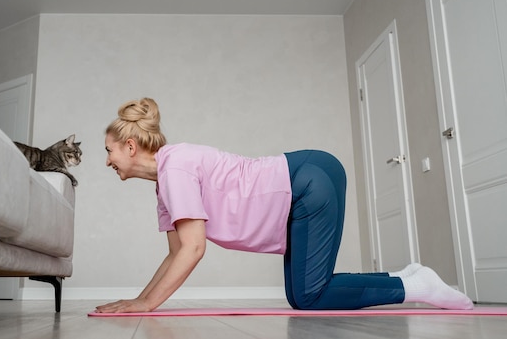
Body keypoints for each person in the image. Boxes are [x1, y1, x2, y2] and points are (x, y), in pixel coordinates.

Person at [95, 97, 473, 313]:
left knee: (308, 295)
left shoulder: (174, 167)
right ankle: (406, 279)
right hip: (306, 178)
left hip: (307, 180)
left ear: (130, 147)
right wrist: (140, 300)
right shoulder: (166, 183)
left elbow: (194, 249)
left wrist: (144, 307)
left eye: (109, 151)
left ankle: (415, 287)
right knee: (304, 295)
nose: (108, 161)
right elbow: (175, 253)